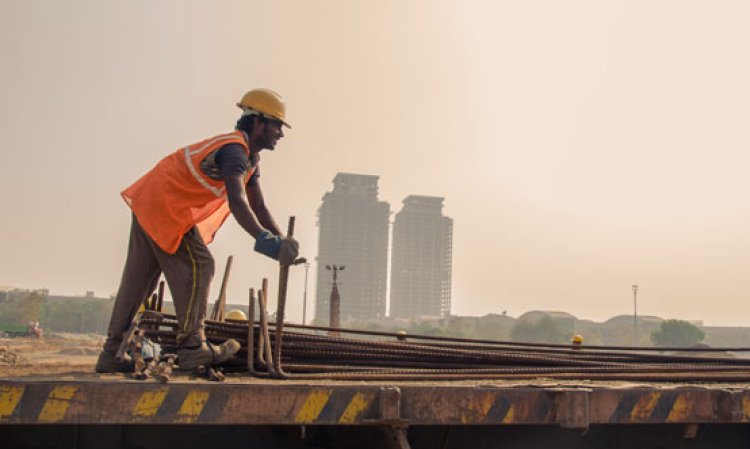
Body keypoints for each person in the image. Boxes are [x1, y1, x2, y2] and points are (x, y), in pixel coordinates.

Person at [96, 88, 299, 373]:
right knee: (200, 265)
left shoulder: (249, 159)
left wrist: (282, 242)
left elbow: (259, 205)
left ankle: (112, 353)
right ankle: (192, 347)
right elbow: (239, 201)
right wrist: (266, 242)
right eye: (277, 125)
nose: (281, 133)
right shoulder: (234, 151)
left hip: (152, 200)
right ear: (258, 122)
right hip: (168, 206)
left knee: (140, 280)